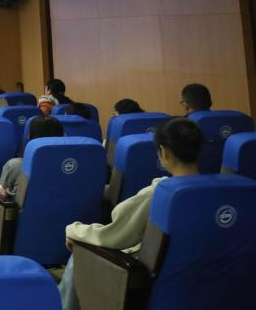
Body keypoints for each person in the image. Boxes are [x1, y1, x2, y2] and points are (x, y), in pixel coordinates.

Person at [59, 118, 204, 310]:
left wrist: (73, 230)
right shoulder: (221, 192)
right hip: (202, 282)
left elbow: (115, 235)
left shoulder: (161, 193)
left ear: (164, 151)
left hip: (148, 282)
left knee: (78, 257)